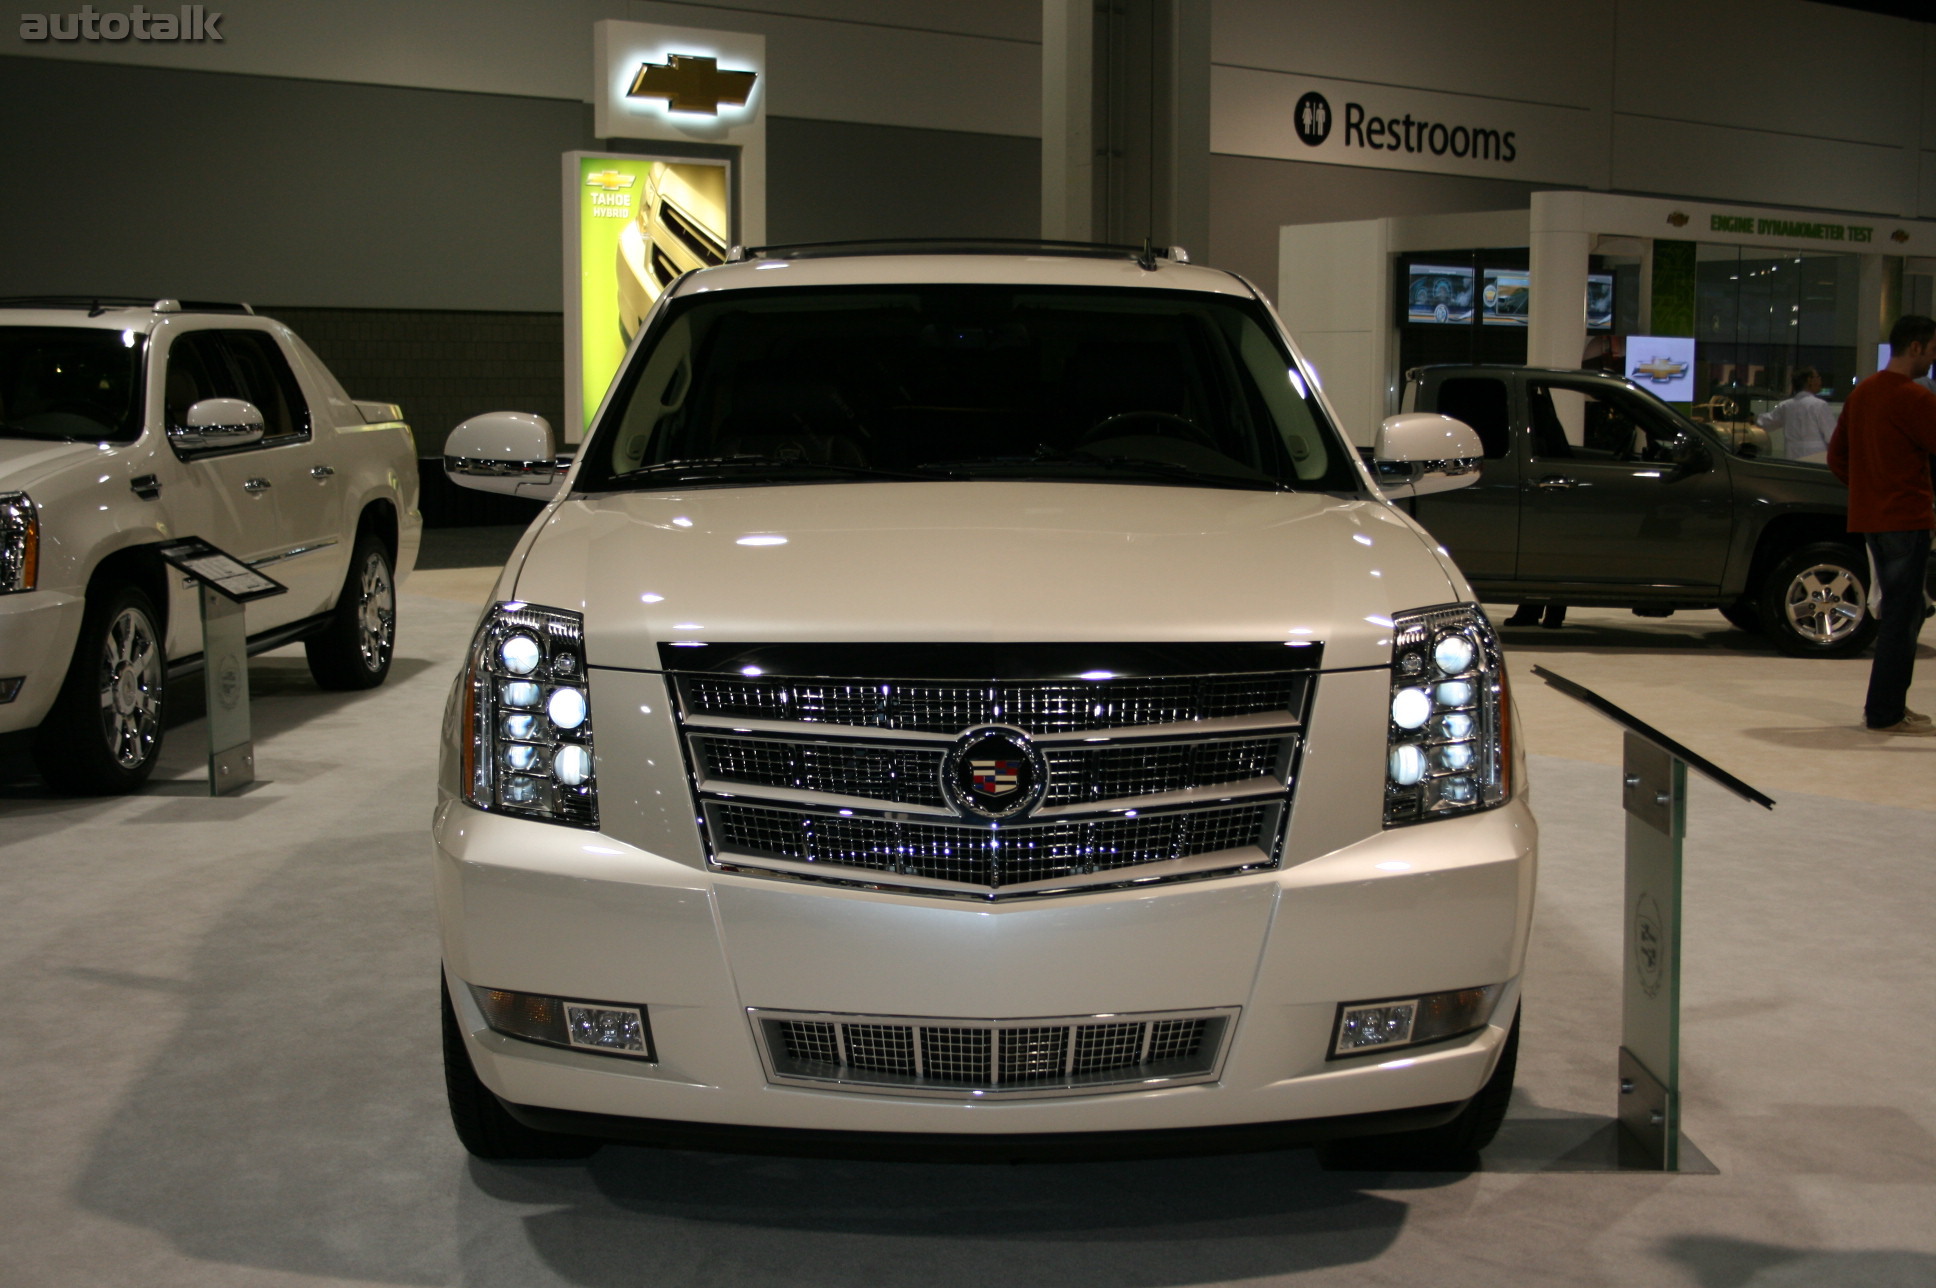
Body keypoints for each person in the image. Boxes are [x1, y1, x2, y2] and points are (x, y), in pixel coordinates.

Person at [1826, 315, 1936, 736]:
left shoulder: (1863, 392)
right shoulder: (1914, 398)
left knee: (1899, 614)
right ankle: (1885, 710)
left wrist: (1869, 489)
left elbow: (1838, 457)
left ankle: (1888, 706)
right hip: (1906, 519)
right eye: (1931, 349)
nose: (1933, 356)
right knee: (1901, 616)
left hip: (1873, 518)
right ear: (1915, 347)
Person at [1757, 367, 1838, 460]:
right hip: (1817, 456)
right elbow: (1832, 436)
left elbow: (1766, 422)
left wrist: (1752, 419)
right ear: (1809, 380)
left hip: (1792, 455)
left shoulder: (1786, 406)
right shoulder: (1820, 405)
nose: (1820, 380)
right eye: (1818, 377)